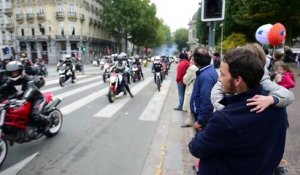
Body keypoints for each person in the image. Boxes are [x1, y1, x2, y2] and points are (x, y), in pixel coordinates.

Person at [189, 47, 288, 175]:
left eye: (223, 75)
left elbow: (196, 148)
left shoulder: (226, 119)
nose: (219, 79)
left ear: (237, 80)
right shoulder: (278, 107)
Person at [211, 43, 294, 112]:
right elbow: (216, 92)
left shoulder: (262, 78)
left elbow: (288, 95)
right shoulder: (230, 74)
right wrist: (227, 109)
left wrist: (271, 99)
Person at [0, 61, 49, 128]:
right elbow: (3, 88)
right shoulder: (10, 81)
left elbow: (30, 89)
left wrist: (24, 99)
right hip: (20, 100)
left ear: (20, 71)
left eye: (16, 72)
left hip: (35, 99)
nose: (14, 74)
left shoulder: (28, 78)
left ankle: (47, 122)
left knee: (35, 115)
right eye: (12, 73)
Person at [190, 47, 218, 130]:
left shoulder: (205, 76)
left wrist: (200, 121)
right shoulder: (208, 71)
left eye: (193, 57)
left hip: (203, 121)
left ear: (196, 60)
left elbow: (206, 100)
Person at [181, 55, 198, 127]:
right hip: (196, 88)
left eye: (191, 59)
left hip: (191, 89)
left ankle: (189, 122)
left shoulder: (191, 68)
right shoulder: (198, 68)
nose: (190, 61)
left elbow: (185, 80)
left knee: (189, 107)